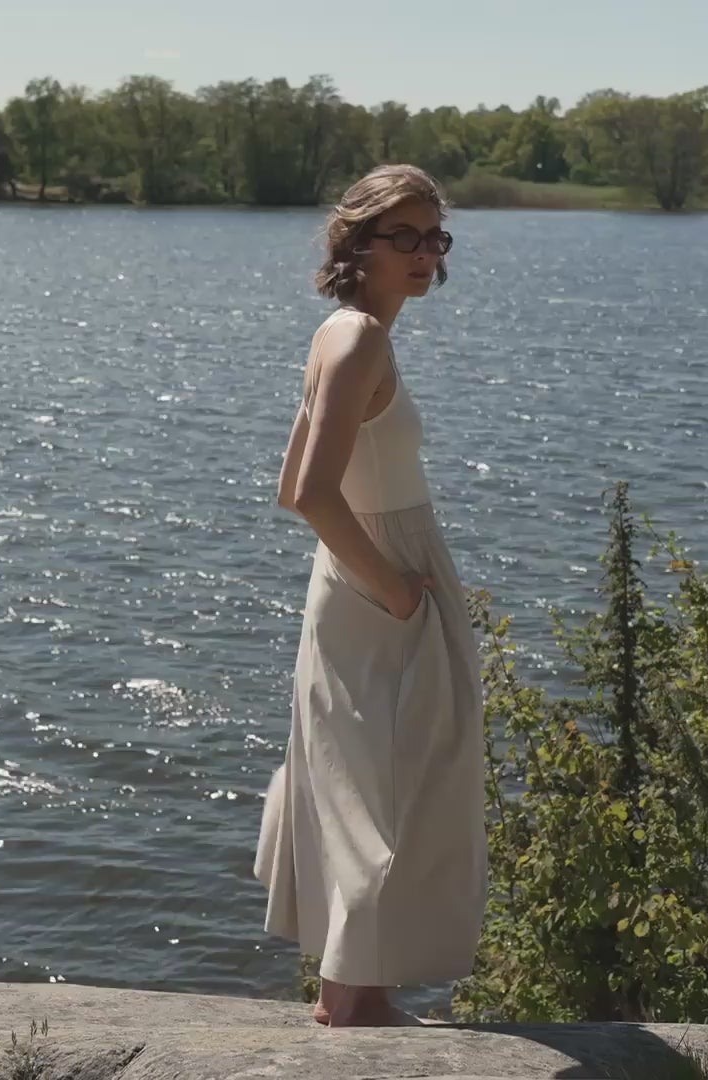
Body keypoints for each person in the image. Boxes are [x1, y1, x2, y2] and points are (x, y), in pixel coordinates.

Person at [254, 164, 487, 1028]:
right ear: (358, 244)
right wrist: (394, 591)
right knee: (401, 782)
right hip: (381, 572)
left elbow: (292, 485)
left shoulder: (342, 334)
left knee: (371, 779)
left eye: (435, 237)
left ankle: (355, 993)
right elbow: (312, 492)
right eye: (405, 237)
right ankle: (356, 1000)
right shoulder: (359, 341)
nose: (425, 254)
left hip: (360, 573)